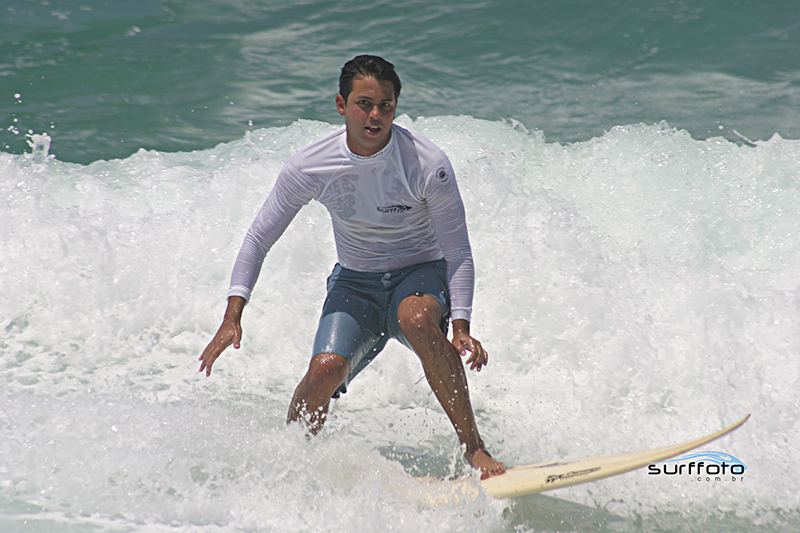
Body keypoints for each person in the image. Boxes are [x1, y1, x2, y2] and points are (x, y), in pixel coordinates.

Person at [199, 55, 505, 478]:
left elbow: (458, 252)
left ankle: (474, 448)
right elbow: (258, 238)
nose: (375, 115)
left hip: (419, 275)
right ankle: (293, 462)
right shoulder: (311, 166)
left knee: (416, 318)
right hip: (355, 286)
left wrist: (461, 326)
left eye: (386, 105)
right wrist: (233, 314)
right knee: (324, 371)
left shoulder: (426, 163)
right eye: (364, 104)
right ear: (341, 105)